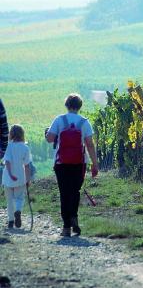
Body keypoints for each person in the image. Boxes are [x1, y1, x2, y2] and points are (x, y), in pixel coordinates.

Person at [46, 93, 98, 237]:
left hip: (61, 163)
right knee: (75, 192)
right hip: (79, 163)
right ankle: (74, 216)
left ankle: (66, 227)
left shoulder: (59, 120)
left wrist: (48, 134)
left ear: (67, 105)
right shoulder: (84, 122)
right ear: (79, 106)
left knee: (64, 193)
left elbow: (50, 139)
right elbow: (90, 145)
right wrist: (95, 164)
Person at [2, 125, 31, 229]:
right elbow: (27, 165)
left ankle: (10, 221)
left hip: (8, 177)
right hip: (20, 176)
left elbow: (7, 162)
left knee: (9, 199)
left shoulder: (8, 146)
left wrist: (10, 174)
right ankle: (18, 211)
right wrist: (28, 179)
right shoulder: (25, 147)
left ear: (11, 134)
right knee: (19, 197)